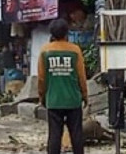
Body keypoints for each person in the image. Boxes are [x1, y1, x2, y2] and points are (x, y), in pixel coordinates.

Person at [38, 18, 88, 154]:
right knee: (76, 135)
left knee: (54, 135)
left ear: (52, 34)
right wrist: (85, 95)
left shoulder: (45, 51)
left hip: (53, 100)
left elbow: (42, 79)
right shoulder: (75, 50)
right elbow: (81, 77)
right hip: (73, 100)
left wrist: (42, 97)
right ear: (67, 33)